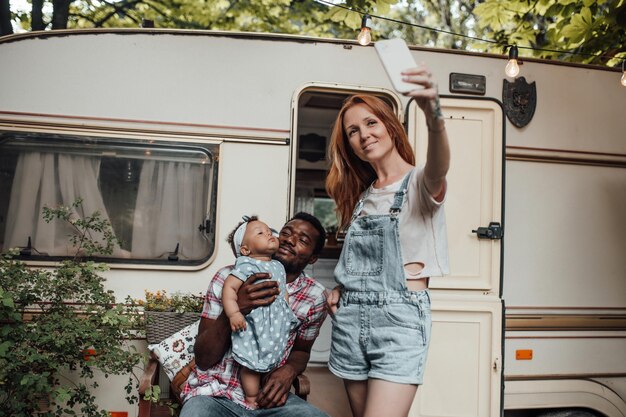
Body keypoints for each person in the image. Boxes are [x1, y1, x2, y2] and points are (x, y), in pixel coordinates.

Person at [325, 65, 450, 417]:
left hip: (399, 319)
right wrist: (340, 288)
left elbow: (440, 167)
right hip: (349, 321)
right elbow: (360, 265)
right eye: (353, 131)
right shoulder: (361, 197)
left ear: (390, 126)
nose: (363, 134)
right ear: (349, 145)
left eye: (370, 123)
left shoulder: (419, 184)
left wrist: (434, 115)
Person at [180, 212, 330, 417]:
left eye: (303, 240)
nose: (289, 240)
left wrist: (289, 371)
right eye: (285, 233)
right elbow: (204, 359)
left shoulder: (314, 296)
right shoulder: (227, 277)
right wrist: (236, 308)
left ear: (312, 258)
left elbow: (302, 352)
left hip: (268, 400)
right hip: (214, 394)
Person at [221, 216, 298, 408]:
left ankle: (265, 395)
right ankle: (251, 398)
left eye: (269, 231)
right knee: (251, 362)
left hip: (275, 325)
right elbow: (229, 289)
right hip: (254, 323)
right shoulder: (246, 265)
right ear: (245, 250)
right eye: (260, 233)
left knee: (271, 359)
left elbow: (283, 291)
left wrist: (286, 311)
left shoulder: (278, 266)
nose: (269, 234)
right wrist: (234, 314)